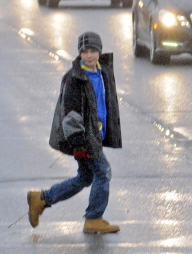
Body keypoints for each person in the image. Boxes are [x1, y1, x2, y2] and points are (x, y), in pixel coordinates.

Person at [27, 31, 123, 235]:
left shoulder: (103, 72)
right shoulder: (75, 79)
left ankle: (42, 198)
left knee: (86, 177)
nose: (89, 55)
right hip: (84, 137)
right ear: (79, 54)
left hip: (95, 135)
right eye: (85, 52)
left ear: (99, 51)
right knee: (103, 172)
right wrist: (79, 144)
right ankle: (93, 218)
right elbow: (70, 114)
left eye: (93, 51)